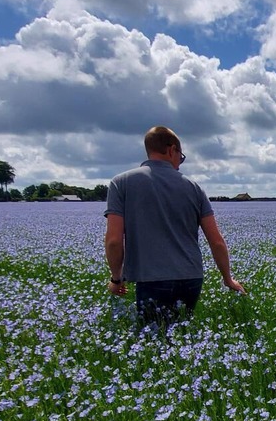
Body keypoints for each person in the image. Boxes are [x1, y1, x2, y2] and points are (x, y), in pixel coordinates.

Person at [104, 126, 245, 328]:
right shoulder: (194, 188)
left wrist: (116, 279)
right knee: (180, 340)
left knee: (154, 345)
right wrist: (227, 279)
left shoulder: (121, 183)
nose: (180, 162)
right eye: (181, 156)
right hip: (191, 278)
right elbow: (216, 241)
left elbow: (114, 240)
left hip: (152, 278)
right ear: (171, 150)